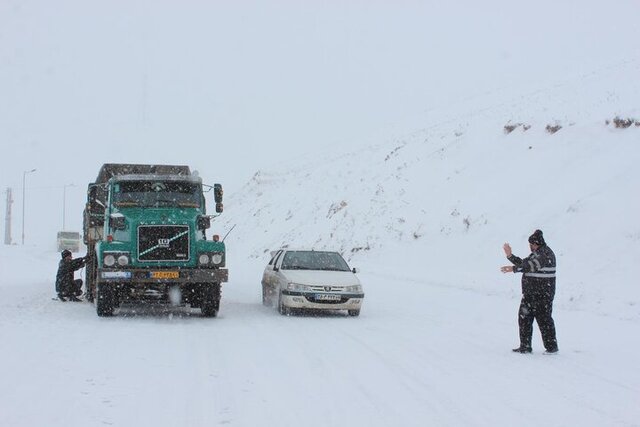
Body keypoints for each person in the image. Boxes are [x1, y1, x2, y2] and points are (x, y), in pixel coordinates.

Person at [500, 229, 559, 354]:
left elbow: (530, 266)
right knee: (524, 319)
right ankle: (525, 346)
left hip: (543, 295)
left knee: (544, 321)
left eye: (531, 245)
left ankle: (552, 348)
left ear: (536, 243)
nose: (530, 247)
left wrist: (513, 269)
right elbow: (524, 263)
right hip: (530, 294)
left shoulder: (546, 254)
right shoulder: (536, 253)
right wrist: (510, 256)